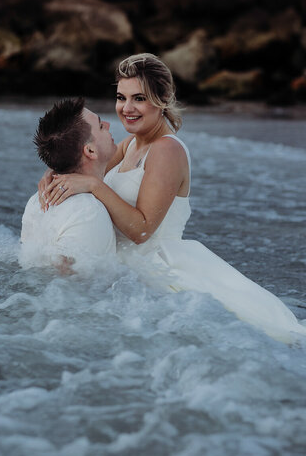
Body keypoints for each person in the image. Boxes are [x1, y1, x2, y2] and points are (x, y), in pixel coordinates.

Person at [41, 53, 306, 343]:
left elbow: (142, 229)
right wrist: (54, 173)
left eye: (139, 98)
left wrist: (94, 186)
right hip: (119, 269)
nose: (126, 108)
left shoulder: (167, 150)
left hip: (158, 272)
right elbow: (86, 166)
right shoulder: (130, 144)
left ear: (162, 99)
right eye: (121, 97)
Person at [20, 98, 117, 270]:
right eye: (101, 126)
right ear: (90, 151)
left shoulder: (36, 200)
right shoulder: (89, 211)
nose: (108, 124)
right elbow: (70, 285)